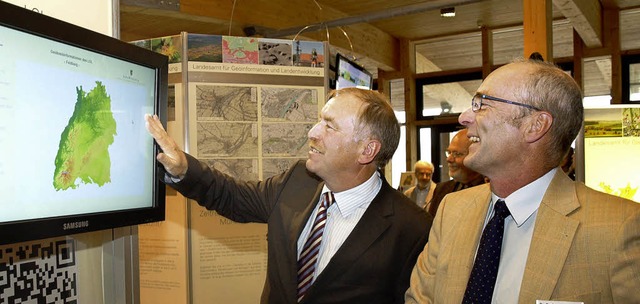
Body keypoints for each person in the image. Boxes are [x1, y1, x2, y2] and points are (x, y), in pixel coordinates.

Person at [146, 87, 432, 304]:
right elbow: (230, 196)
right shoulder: (297, 181)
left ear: (367, 150)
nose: (312, 132)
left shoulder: (413, 229)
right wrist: (183, 168)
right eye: (319, 121)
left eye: (329, 126)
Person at [405, 58, 640, 303]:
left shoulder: (619, 228)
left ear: (536, 125)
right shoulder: (452, 210)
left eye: (481, 105)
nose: (464, 117)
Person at [425, 128, 485, 217]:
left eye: (457, 154)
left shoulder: (490, 190)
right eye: (449, 152)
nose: (449, 159)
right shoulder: (442, 189)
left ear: (477, 156)